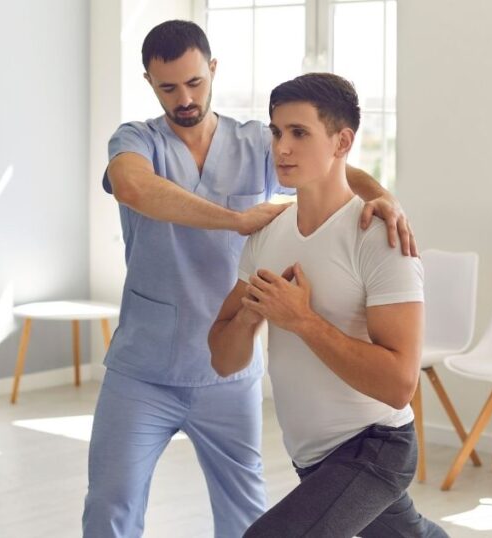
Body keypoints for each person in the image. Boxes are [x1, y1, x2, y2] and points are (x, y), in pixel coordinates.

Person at [82, 20, 418, 538]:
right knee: (111, 506)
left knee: (245, 515)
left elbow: (335, 166)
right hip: (145, 368)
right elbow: (132, 187)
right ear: (149, 81)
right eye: (168, 87)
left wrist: (387, 203)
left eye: (194, 82)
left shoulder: (257, 142)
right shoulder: (136, 140)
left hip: (228, 377)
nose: (184, 97)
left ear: (212, 70)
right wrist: (236, 219)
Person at [209, 73, 448, 537]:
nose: (282, 147)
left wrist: (300, 320)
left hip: (375, 445)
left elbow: (400, 385)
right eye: (276, 132)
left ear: (342, 142)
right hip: (312, 456)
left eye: (300, 133)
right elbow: (223, 358)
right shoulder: (267, 234)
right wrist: (252, 315)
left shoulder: (379, 237)